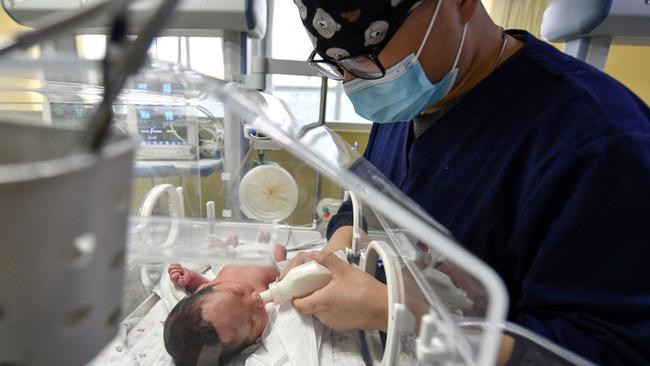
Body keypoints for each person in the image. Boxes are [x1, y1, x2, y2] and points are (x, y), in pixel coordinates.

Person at [285, 0, 650, 365]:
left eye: (367, 55)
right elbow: (368, 198)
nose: (353, 83)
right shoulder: (412, 102)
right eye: (338, 64)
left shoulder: (599, 145)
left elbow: (607, 350)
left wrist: (398, 311)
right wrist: (337, 248)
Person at [163, 244, 288, 365]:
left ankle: (231, 244)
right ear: (247, 346)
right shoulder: (269, 305)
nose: (256, 299)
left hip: (237, 256)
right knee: (279, 248)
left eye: (239, 293)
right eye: (253, 321)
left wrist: (190, 278)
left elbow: (203, 282)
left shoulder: (207, 288)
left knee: (215, 246)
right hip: (270, 259)